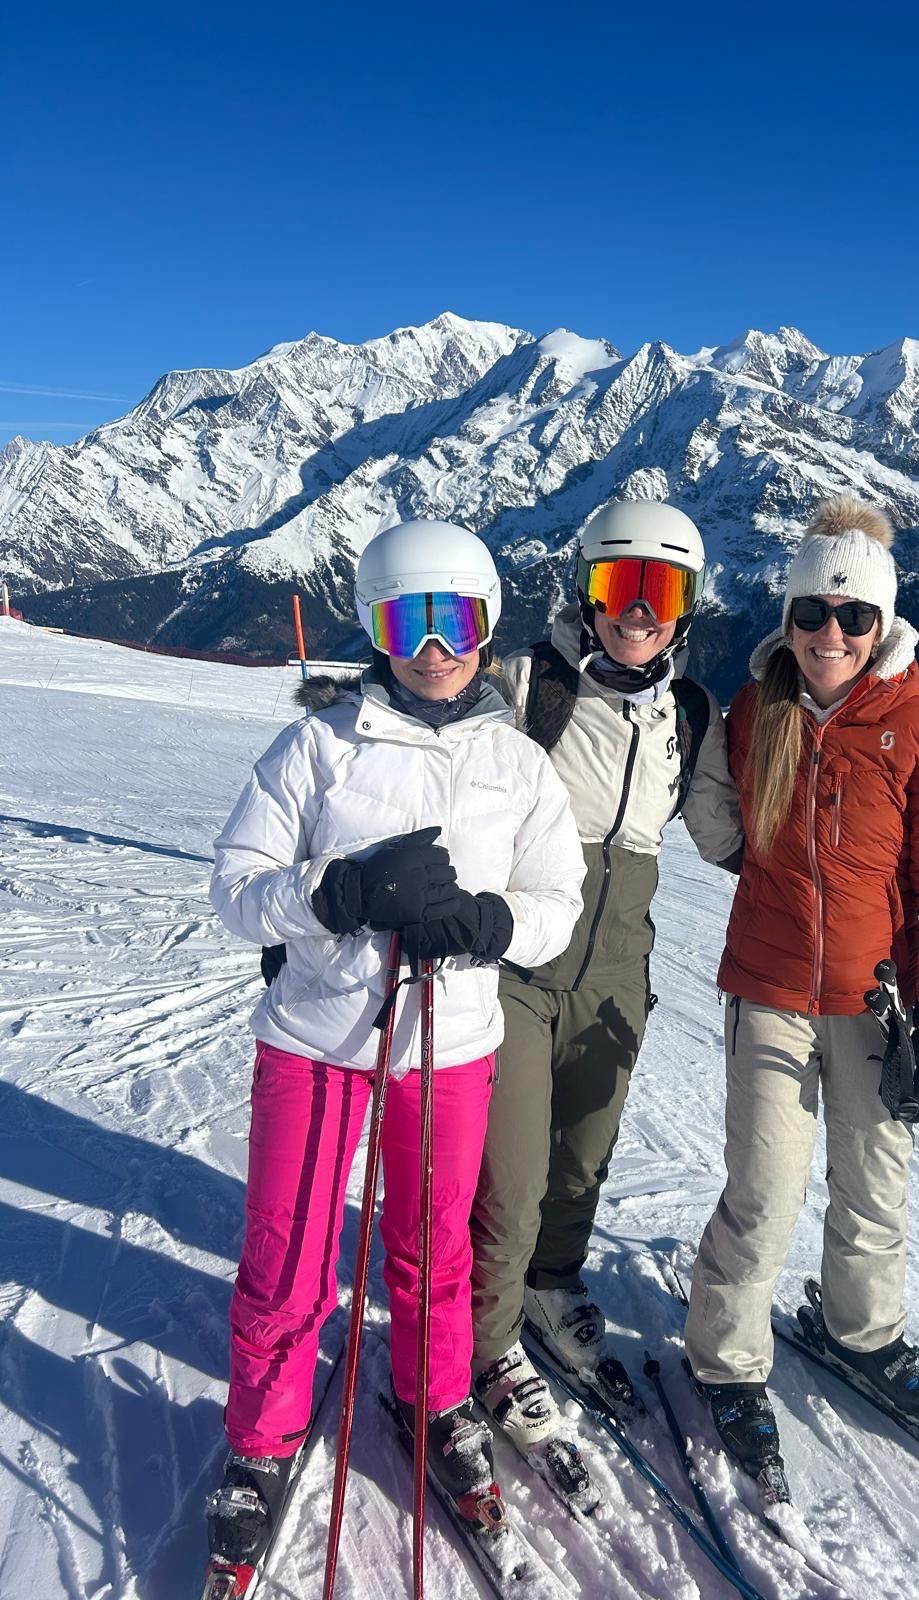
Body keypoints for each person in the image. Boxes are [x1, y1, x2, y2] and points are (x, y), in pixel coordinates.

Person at [204, 519, 585, 1574]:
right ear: (375, 629)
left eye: (454, 619)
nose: (433, 648)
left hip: (451, 1041)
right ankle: (264, 1433)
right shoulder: (318, 747)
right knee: (289, 1247)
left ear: (486, 623)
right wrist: (336, 893)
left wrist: (494, 923)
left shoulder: (517, 763)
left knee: (433, 1246)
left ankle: (435, 1398)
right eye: (407, 622)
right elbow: (235, 889)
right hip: (317, 1040)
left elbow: (558, 902)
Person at [683, 495, 919, 1490]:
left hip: (874, 1004)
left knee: (873, 1185)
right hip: (769, 988)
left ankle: (864, 1331)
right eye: (812, 612)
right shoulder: (753, 713)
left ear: (883, 623)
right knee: (764, 1190)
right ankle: (728, 1358)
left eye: (854, 616)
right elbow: (724, 836)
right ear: (788, 618)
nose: (831, 634)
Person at [468, 499, 743, 1451]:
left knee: (582, 1158)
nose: (637, 612)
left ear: (688, 606)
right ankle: (487, 1341)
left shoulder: (690, 715)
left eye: (660, 591)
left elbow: (725, 838)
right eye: (619, 584)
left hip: (618, 971)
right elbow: (431, 752)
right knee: (512, 1176)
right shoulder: (527, 683)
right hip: (516, 970)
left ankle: (551, 1284)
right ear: (585, 590)